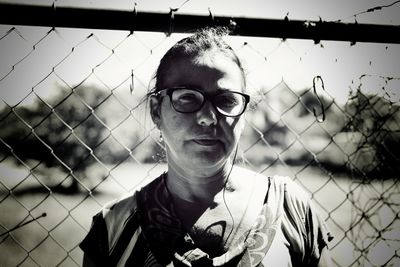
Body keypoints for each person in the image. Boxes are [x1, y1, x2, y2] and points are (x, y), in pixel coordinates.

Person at [80, 27, 333, 266]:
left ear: (244, 114)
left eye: (227, 100)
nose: (209, 117)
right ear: (156, 110)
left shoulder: (291, 211)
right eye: (188, 97)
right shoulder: (113, 228)